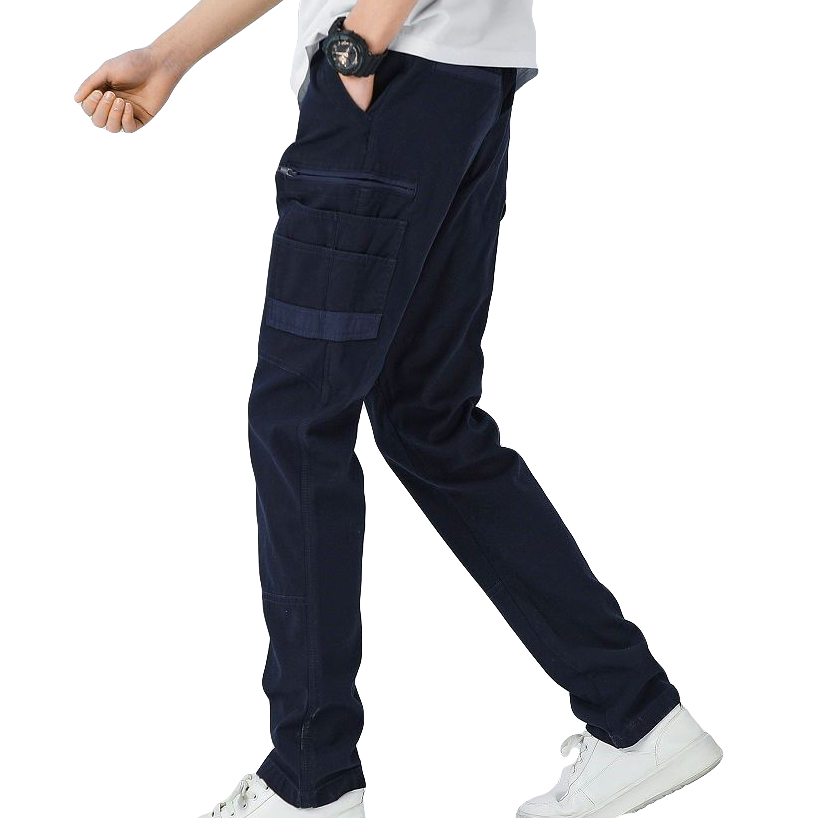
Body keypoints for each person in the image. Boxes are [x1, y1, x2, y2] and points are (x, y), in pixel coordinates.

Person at [75, 2, 723, 817]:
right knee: (428, 420)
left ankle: (310, 779)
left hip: (393, 76)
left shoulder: (375, 52)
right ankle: (638, 714)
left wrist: (361, 42)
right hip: (460, 82)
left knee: (300, 422)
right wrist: (171, 55)